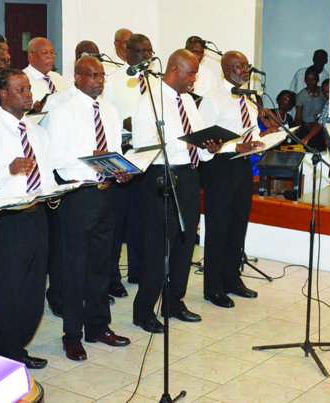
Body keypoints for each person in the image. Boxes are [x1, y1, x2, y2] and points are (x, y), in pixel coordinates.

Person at [45, 56, 132, 360]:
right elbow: (57, 160)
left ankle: (98, 326)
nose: (97, 80)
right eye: (91, 75)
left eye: (101, 76)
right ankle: (72, 335)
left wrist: (119, 169)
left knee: (101, 264)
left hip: (107, 194)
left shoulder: (110, 110)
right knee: (74, 269)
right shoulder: (63, 112)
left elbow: (116, 151)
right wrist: (90, 158)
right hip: (78, 196)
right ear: (77, 78)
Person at [0, 69, 54, 369]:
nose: (28, 94)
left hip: (36, 216)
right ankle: (5, 352)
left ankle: (18, 346)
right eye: (20, 89)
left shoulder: (37, 131)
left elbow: (46, 176)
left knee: (33, 288)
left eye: (29, 88)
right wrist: (8, 169)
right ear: (2, 94)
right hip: (5, 222)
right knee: (10, 291)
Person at [131, 49, 220, 333]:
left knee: (185, 243)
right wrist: (188, 145)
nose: (194, 79)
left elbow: (199, 138)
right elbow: (145, 147)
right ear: (173, 70)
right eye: (190, 73)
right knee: (158, 248)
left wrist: (209, 148)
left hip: (189, 177)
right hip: (161, 179)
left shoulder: (188, 102)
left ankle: (174, 301)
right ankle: (143, 310)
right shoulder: (150, 102)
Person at [198, 51, 264, 308]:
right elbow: (205, 141)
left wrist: (258, 142)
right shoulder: (212, 99)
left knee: (238, 225)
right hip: (219, 167)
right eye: (238, 67)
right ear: (226, 69)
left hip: (243, 167)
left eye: (246, 66)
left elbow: (252, 129)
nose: (244, 71)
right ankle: (212, 287)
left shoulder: (249, 99)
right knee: (218, 227)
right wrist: (232, 148)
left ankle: (232, 279)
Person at [102, 33, 156, 290]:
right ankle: (112, 276)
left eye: (149, 52)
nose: (146, 57)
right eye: (140, 52)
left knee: (142, 221)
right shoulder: (113, 81)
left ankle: (138, 270)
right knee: (117, 222)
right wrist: (125, 129)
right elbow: (104, 117)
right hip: (123, 157)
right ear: (127, 52)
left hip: (148, 158)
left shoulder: (155, 82)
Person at [23, 37, 68, 112]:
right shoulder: (22, 80)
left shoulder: (57, 77)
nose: (50, 56)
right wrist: (35, 112)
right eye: (44, 53)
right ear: (31, 56)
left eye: (52, 52)